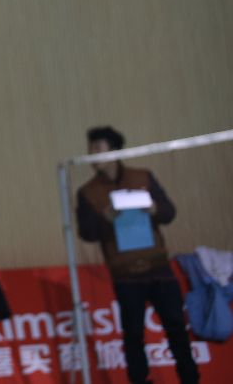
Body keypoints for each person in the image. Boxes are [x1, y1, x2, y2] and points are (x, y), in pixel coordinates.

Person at [76, 126, 199, 384]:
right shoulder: (87, 192)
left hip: (159, 267)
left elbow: (169, 212)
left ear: (114, 151)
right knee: (133, 335)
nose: (92, 154)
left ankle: (190, 378)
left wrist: (153, 208)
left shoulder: (142, 177)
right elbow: (86, 232)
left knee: (176, 327)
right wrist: (106, 217)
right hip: (125, 274)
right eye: (90, 149)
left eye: (97, 148)